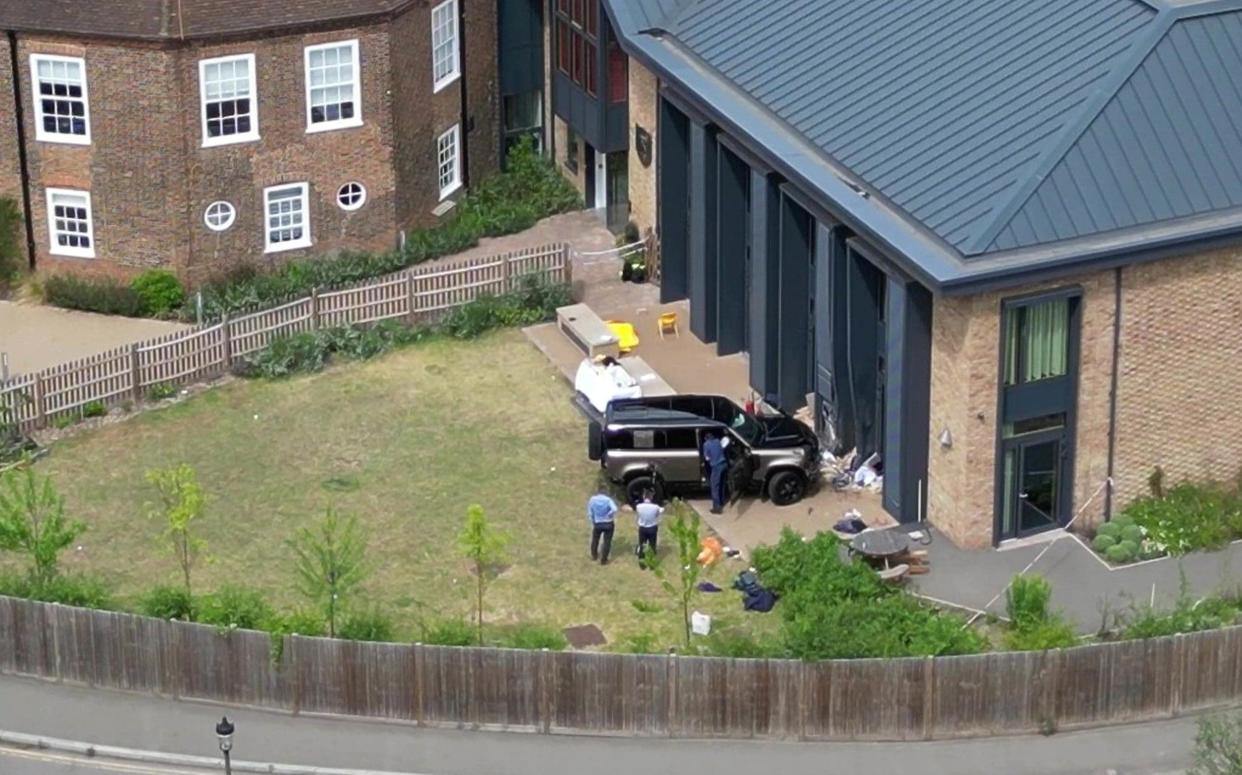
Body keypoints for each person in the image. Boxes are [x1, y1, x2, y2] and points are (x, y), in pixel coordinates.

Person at [586, 485, 619, 564]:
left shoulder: (592, 499)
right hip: (608, 522)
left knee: (595, 539)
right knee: (607, 541)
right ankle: (604, 560)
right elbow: (615, 509)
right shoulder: (608, 500)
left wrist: (593, 520)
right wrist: (609, 514)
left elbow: (590, 512)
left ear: (598, 491)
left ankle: (594, 555)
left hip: (598, 522)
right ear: (606, 491)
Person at [634, 490, 664, 567]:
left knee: (642, 545)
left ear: (644, 496)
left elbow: (638, 515)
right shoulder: (656, 507)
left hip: (643, 528)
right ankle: (652, 564)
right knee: (652, 545)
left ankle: (642, 563)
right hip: (652, 527)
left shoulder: (638, 506)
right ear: (651, 497)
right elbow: (660, 512)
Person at [702, 432, 728, 514]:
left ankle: (716, 508)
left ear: (706, 438)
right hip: (724, 464)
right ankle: (722, 501)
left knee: (714, 486)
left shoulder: (706, 444)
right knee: (721, 484)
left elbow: (707, 458)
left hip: (716, 466)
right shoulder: (717, 441)